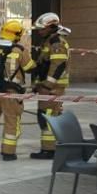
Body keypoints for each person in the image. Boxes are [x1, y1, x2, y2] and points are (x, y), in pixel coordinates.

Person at [0, 19, 36, 161]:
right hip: (11, 92)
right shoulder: (19, 50)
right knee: (11, 121)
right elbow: (29, 68)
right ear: (17, 34)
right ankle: (8, 153)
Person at [29, 12, 71, 159]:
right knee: (51, 116)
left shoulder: (56, 43)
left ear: (51, 27)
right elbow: (43, 65)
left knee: (47, 117)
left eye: (42, 29)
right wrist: (37, 84)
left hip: (53, 88)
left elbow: (58, 66)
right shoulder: (49, 41)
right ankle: (55, 147)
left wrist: (47, 86)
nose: (39, 31)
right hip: (48, 87)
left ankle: (49, 150)